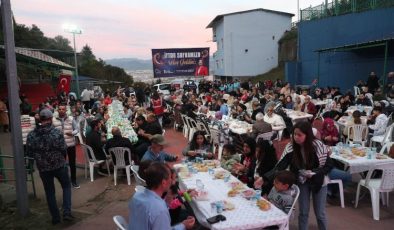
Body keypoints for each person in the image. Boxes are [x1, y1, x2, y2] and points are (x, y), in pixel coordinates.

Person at [264, 121, 333, 230]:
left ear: (308, 135)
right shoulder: (291, 147)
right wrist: (264, 178)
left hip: (319, 181)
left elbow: (329, 165)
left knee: (320, 213)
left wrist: (315, 172)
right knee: (303, 212)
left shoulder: (318, 146)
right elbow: (280, 166)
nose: (296, 137)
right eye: (294, 134)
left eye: (299, 135)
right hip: (302, 181)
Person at [26, 109, 73, 225]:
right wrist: (62, 159)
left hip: (43, 168)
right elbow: (63, 149)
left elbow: (29, 153)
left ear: (40, 119)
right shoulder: (56, 133)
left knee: (49, 192)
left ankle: (55, 218)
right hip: (59, 165)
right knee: (66, 186)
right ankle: (66, 212)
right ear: (51, 119)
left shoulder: (31, 135)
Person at [128, 162, 195, 230]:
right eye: (170, 177)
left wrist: (167, 202)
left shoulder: (137, 195)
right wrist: (183, 225)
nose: (171, 180)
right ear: (164, 182)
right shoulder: (160, 209)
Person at [56, 104, 80, 188]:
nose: (61, 110)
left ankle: (74, 181)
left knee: (72, 163)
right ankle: (65, 182)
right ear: (57, 110)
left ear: (66, 110)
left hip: (70, 145)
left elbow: (77, 129)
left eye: (63, 109)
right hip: (60, 146)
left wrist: (72, 133)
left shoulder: (71, 119)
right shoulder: (54, 120)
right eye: (60, 109)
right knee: (62, 164)